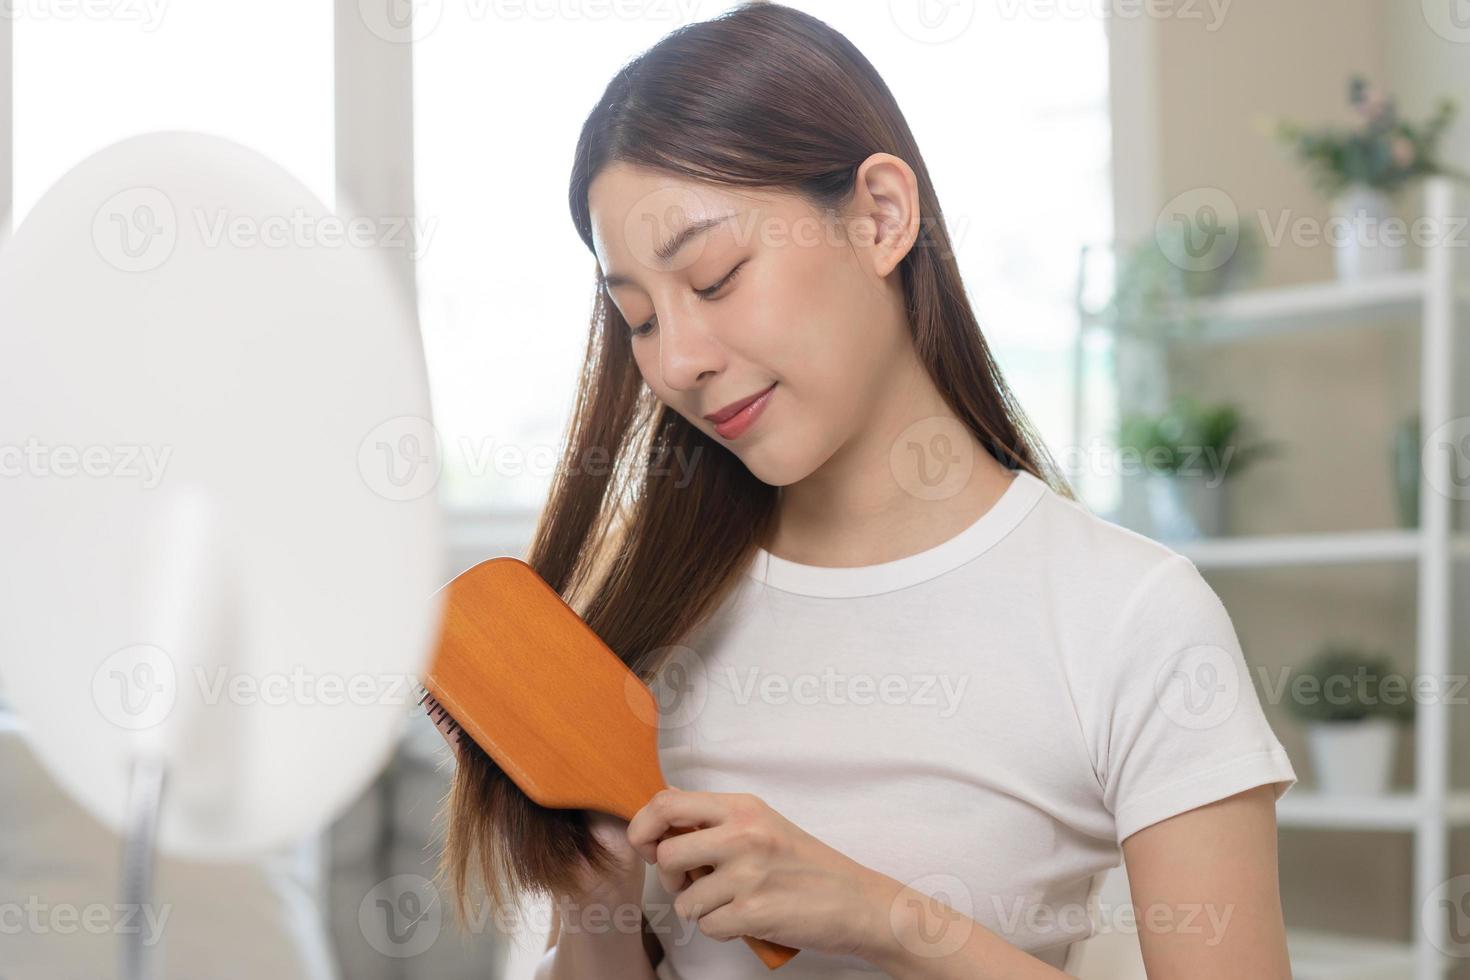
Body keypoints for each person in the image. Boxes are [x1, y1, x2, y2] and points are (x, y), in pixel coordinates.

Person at [436, 5, 1298, 978]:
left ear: (881, 216)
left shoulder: (1130, 616)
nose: (676, 359)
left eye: (714, 278)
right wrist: (593, 909)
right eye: (636, 316)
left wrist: (883, 915)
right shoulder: (640, 613)